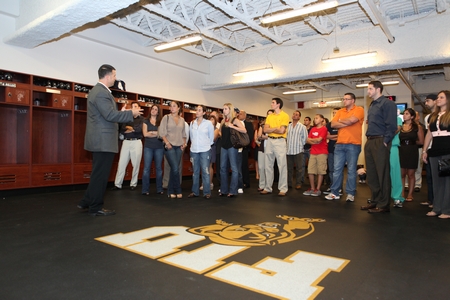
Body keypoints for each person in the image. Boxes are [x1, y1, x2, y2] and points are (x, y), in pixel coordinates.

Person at [78, 64, 142, 216]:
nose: (115, 78)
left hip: (101, 139)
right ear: (107, 77)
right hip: (103, 140)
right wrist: (130, 114)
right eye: (114, 75)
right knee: (101, 175)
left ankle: (86, 201)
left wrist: (120, 112)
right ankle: (95, 207)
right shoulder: (101, 92)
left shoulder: (99, 91)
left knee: (97, 173)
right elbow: (109, 116)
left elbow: (107, 114)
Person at [361, 81, 397, 214]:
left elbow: (392, 125)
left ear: (378, 89)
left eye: (370, 89)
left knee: (382, 174)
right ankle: (375, 200)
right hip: (370, 140)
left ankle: (384, 204)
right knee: (372, 173)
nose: (368, 91)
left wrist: (386, 141)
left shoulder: (388, 104)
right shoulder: (372, 105)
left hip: (381, 141)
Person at [325, 93, 364, 202]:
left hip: (353, 144)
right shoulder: (340, 111)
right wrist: (348, 121)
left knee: (351, 170)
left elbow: (352, 120)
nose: (344, 101)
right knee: (337, 169)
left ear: (353, 100)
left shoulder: (359, 109)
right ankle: (335, 192)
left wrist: (342, 121)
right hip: (340, 144)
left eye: (347, 99)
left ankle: (350, 193)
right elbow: (333, 124)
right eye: (344, 99)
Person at [422, 90, 450, 219]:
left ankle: (446, 209)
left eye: (441, 97)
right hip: (435, 151)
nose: (438, 99)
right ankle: (437, 207)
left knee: (446, 181)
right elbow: (429, 134)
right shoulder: (433, 116)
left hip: (447, 150)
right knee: (436, 180)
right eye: (438, 97)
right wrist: (424, 150)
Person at [260, 98, 290, 197]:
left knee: (282, 166)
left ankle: (283, 189)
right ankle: (268, 187)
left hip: (280, 141)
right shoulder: (269, 116)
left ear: (278, 104)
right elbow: (265, 129)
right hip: (270, 141)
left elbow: (282, 131)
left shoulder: (285, 115)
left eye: (273, 102)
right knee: (268, 165)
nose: (271, 104)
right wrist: (275, 128)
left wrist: (270, 129)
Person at [111, 101, 144, 191]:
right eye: (132, 107)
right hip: (126, 142)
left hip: (136, 142)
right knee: (121, 163)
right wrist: (131, 129)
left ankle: (133, 184)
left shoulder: (142, 119)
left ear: (139, 108)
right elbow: (122, 129)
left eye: (136, 106)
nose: (134, 108)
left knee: (136, 164)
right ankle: (118, 184)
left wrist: (130, 128)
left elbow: (139, 129)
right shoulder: (126, 118)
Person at [159, 101, 187, 199]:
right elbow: (162, 133)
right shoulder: (166, 118)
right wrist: (167, 143)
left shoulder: (182, 120)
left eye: (174, 106)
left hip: (179, 147)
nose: (172, 108)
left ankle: (171, 190)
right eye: (171, 106)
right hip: (169, 146)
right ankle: (177, 189)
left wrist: (184, 143)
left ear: (179, 108)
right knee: (175, 168)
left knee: (176, 168)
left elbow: (184, 134)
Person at [219, 103, 247, 198]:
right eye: (223, 109)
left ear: (230, 110)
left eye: (226, 109)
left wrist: (232, 126)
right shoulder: (223, 120)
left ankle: (233, 191)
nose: (224, 110)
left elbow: (244, 130)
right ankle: (224, 190)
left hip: (232, 147)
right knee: (222, 168)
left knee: (234, 169)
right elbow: (220, 131)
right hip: (224, 146)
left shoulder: (235, 120)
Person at [188, 105, 215, 199]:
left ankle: (207, 192)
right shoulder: (192, 123)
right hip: (194, 150)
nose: (197, 112)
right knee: (195, 172)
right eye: (197, 110)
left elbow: (211, 139)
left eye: (199, 110)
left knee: (205, 171)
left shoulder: (208, 123)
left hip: (205, 150)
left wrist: (206, 145)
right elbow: (191, 137)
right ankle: (195, 192)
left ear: (204, 112)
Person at [399, 108, 424, 202]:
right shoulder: (400, 126)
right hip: (401, 150)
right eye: (404, 114)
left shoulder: (417, 127)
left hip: (412, 150)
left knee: (411, 174)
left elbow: (421, 141)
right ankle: (402, 193)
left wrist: (411, 143)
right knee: (402, 173)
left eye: (407, 114)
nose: (404, 115)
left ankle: (410, 194)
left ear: (412, 116)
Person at [141, 104, 164, 196]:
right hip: (148, 147)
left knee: (158, 168)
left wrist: (152, 132)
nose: (153, 111)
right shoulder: (145, 121)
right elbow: (145, 134)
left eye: (155, 109)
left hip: (159, 147)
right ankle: (145, 189)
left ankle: (159, 188)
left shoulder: (161, 122)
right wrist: (156, 133)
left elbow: (162, 135)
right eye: (152, 109)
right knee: (146, 168)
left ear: (158, 112)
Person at [303, 114, 328, 197]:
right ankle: (312, 188)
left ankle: (318, 189)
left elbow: (319, 140)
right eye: (314, 118)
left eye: (317, 118)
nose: (315, 119)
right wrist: (315, 141)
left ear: (322, 119)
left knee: (320, 171)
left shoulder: (324, 129)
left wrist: (313, 140)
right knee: (310, 170)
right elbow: (307, 140)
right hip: (313, 152)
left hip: (322, 152)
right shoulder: (313, 129)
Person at [421, 94, 437, 207]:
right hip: (430, 150)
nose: (426, 103)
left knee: (440, 177)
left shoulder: (445, 115)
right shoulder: (428, 117)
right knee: (430, 176)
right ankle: (431, 200)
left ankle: (439, 201)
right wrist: (424, 150)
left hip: (440, 149)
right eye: (425, 101)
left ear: (435, 101)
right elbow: (428, 134)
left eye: (428, 101)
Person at [286, 110, 308, 190]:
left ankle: (298, 183)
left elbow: (305, 139)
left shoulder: (302, 127)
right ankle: (289, 183)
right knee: (289, 168)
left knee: (299, 168)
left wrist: (300, 145)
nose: (295, 115)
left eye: (297, 115)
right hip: (289, 150)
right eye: (294, 114)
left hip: (298, 150)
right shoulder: (288, 126)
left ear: (299, 117)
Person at [256, 110, 273, 192]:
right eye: (268, 114)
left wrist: (265, 136)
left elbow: (274, 136)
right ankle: (261, 185)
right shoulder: (262, 125)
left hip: (270, 148)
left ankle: (268, 185)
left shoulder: (274, 126)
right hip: (262, 148)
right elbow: (259, 136)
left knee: (268, 167)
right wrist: (266, 137)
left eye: (271, 114)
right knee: (261, 167)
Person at [324, 108, 339, 193]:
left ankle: (338, 188)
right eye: (333, 113)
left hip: (340, 150)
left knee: (338, 170)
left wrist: (332, 136)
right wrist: (336, 136)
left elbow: (343, 136)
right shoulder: (329, 125)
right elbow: (326, 136)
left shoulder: (341, 124)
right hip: (330, 149)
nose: (334, 114)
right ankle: (332, 186)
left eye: (336, 113)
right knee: (331, 169)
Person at [391, 115, 405, 208]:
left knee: (395, 171)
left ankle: (397, 197)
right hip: (380, 146)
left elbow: (396, 130)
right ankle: (380, 196)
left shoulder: (397, 118)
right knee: (380, 172)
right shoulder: (380, 117)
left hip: (392, 146)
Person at [239, 110, 255, 190]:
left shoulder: (248, 124)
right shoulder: (235, 123)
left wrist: (245, 144)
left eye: (241, 114)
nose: (239, 115)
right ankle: (239, 182)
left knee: (244, 165)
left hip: (244, 147)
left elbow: (250, 135)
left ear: (245, 115)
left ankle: (246, 182)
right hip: (236, 147)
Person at [206, 115, 220, 192]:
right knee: (205, 166)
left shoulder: (216, 129)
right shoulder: (205, 128)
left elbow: (213, 139)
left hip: (212, 148)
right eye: (210, 119)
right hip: (204, 148)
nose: (211, 121)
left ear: (215, 121)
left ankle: (210, 183)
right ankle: (204, 183)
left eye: (212, 119)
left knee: (210, 166)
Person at [302, 116, 313, 184]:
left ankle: (311, 179)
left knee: (311, 165)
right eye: (304, 120)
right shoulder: (302, 128)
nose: (305, 121)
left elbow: (314, 138)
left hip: (310, 149)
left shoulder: (312, 129)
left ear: (309, 121)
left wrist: (312, 146)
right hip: (303, 149)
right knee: (302, 165)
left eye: (306, 120)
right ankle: (301, 179)